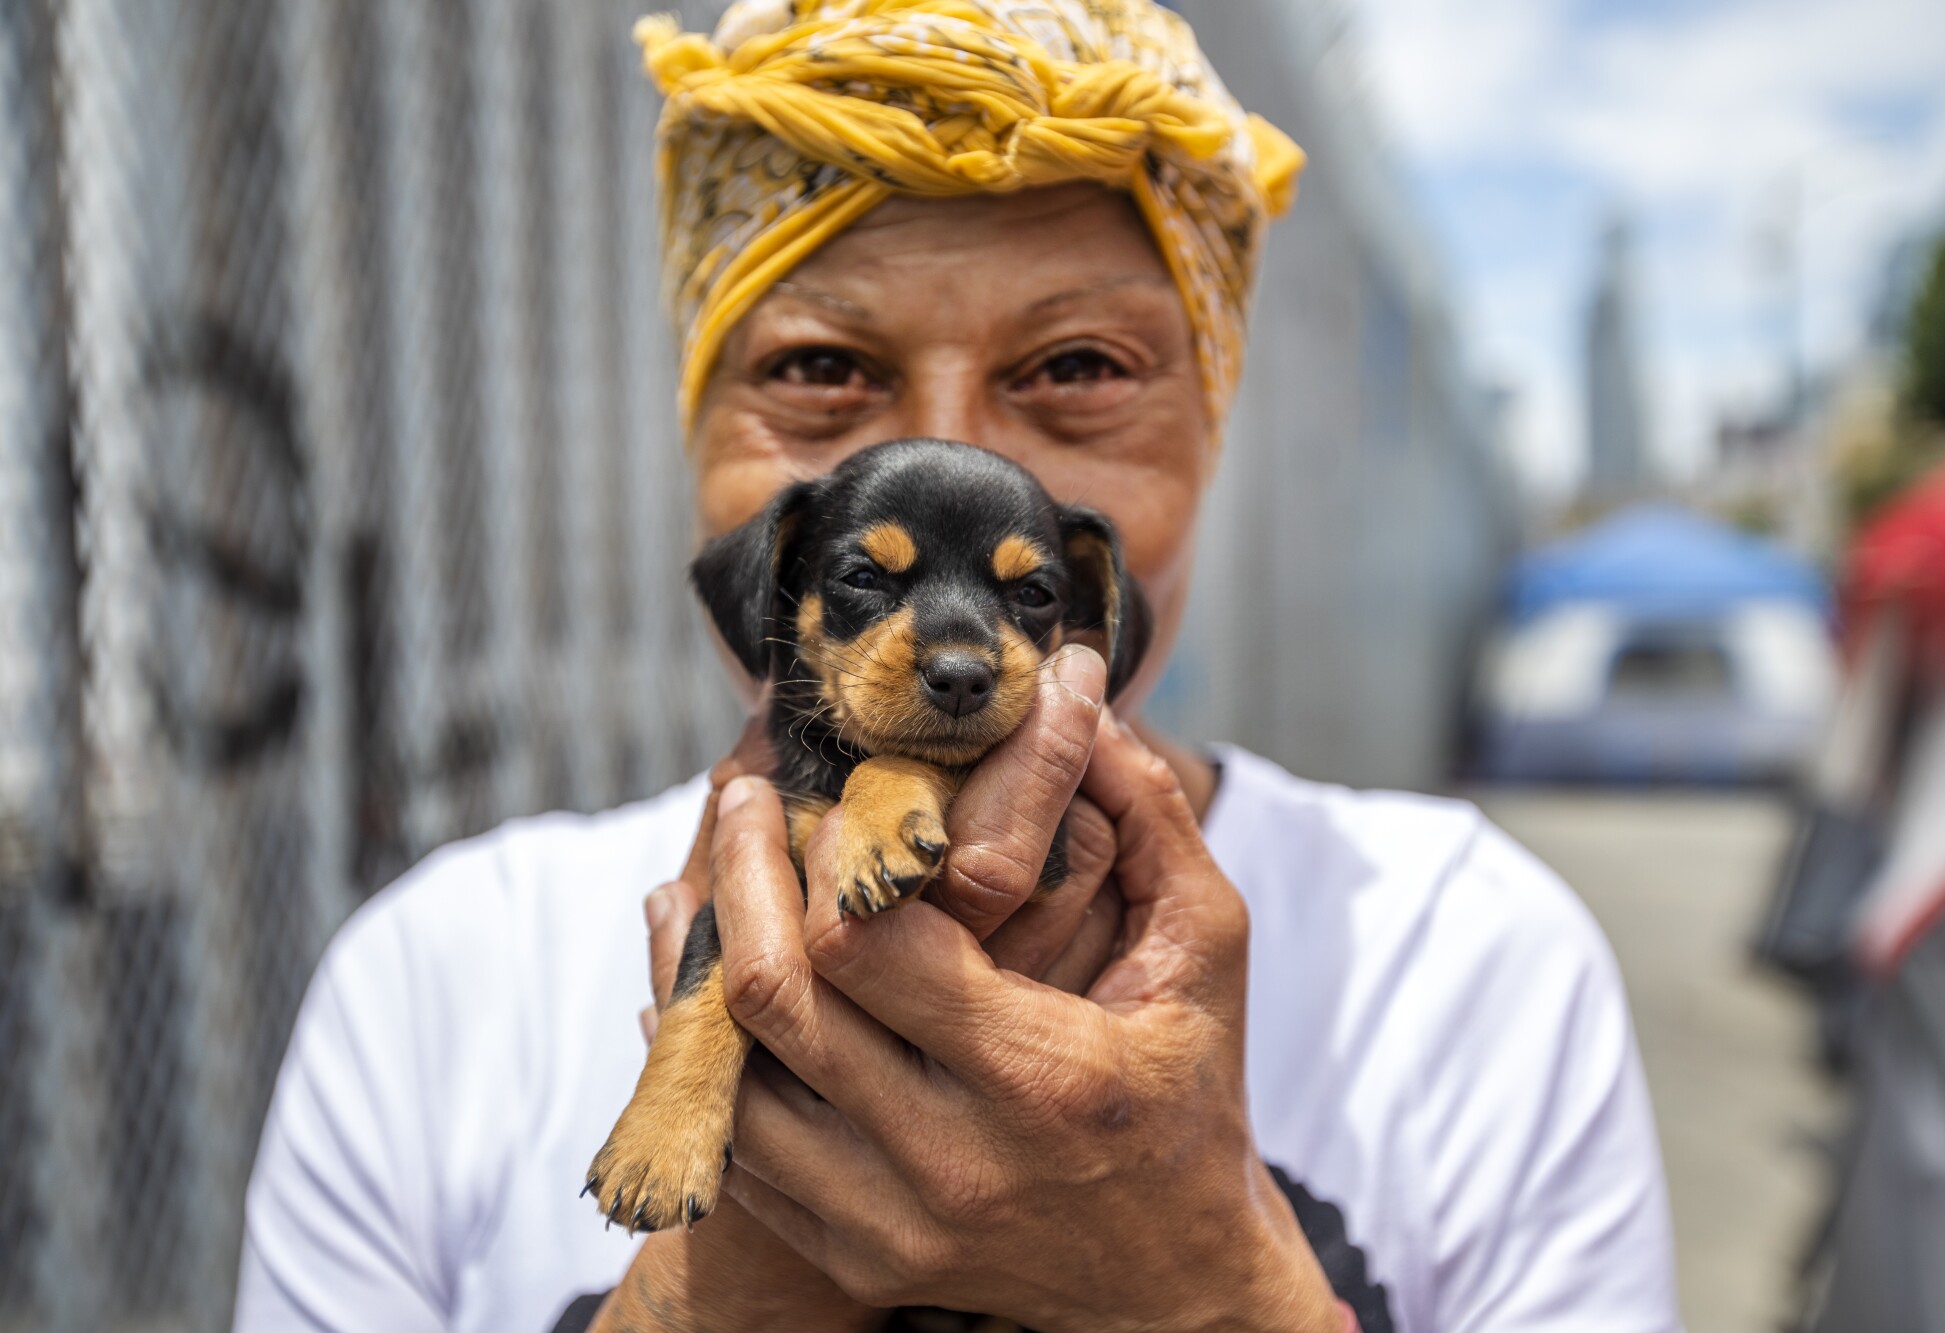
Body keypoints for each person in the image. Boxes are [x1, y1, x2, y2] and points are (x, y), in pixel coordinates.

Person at [234, 3, 1680, 1330]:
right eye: (819, 367)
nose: (956, 461)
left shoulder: (1471, 964)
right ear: (709, 444)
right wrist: (720, 1289)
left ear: (1212, 426)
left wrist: (1218, 1287)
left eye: (1077, 367)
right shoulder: (426, 993)